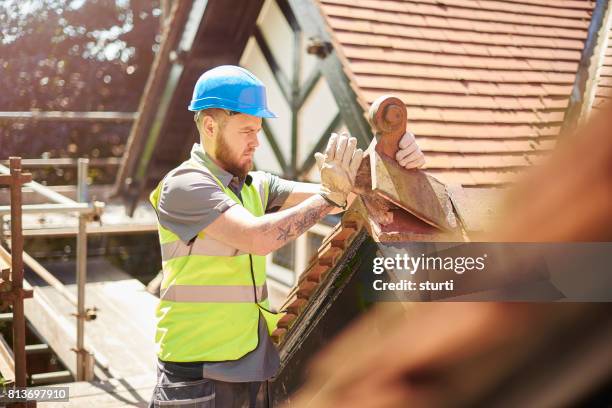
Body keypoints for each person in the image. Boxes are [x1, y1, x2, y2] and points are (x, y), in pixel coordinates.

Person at [148, 65, 425, 408]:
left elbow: (348, 194)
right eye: (247, 130)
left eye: (259, 130)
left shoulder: (254, 186)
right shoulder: (184, 185)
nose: (256, 141)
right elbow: (258, 237)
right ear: (209, 126)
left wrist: (394, 155)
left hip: (249, 368)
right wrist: (329, 198)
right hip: (196, 379)